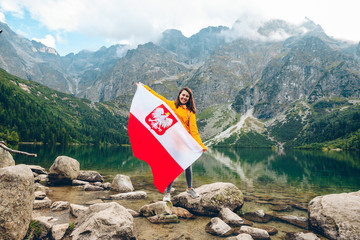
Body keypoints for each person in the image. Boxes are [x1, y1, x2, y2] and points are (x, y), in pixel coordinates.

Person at [140, 83, 207, 201]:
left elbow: (193, 129)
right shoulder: (171, 105)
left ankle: (189, 188)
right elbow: (158, 98)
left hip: (184, 142)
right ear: (179, 95)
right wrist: (145, 88)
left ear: (189, 99)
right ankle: (167, 193)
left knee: (187, 165)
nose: (184, 98)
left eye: (187, 96)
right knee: (172, 166)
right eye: (183, 95)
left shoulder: (190, 112)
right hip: (172, 141)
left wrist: (199, 144)